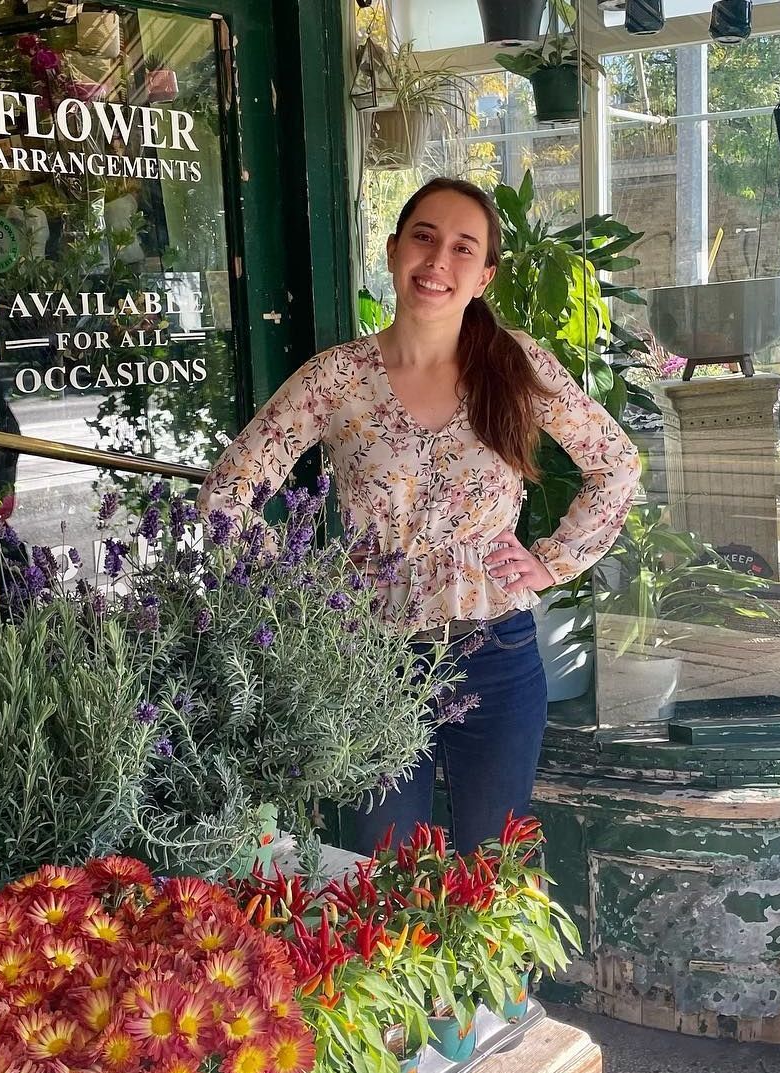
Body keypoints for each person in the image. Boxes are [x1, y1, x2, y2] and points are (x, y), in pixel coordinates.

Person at [197, 176, 640, 855]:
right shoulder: (336, 378)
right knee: (380, 876)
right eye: (424, 238)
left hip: (496, 649)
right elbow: (230, 491)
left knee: (490, 876)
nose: (438, 263)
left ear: (485, 274)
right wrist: (303, 598)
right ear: (393, 248)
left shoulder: (516, 364)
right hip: (371, 662)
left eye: (464, 248)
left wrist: (553, 563)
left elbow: (616, 462)